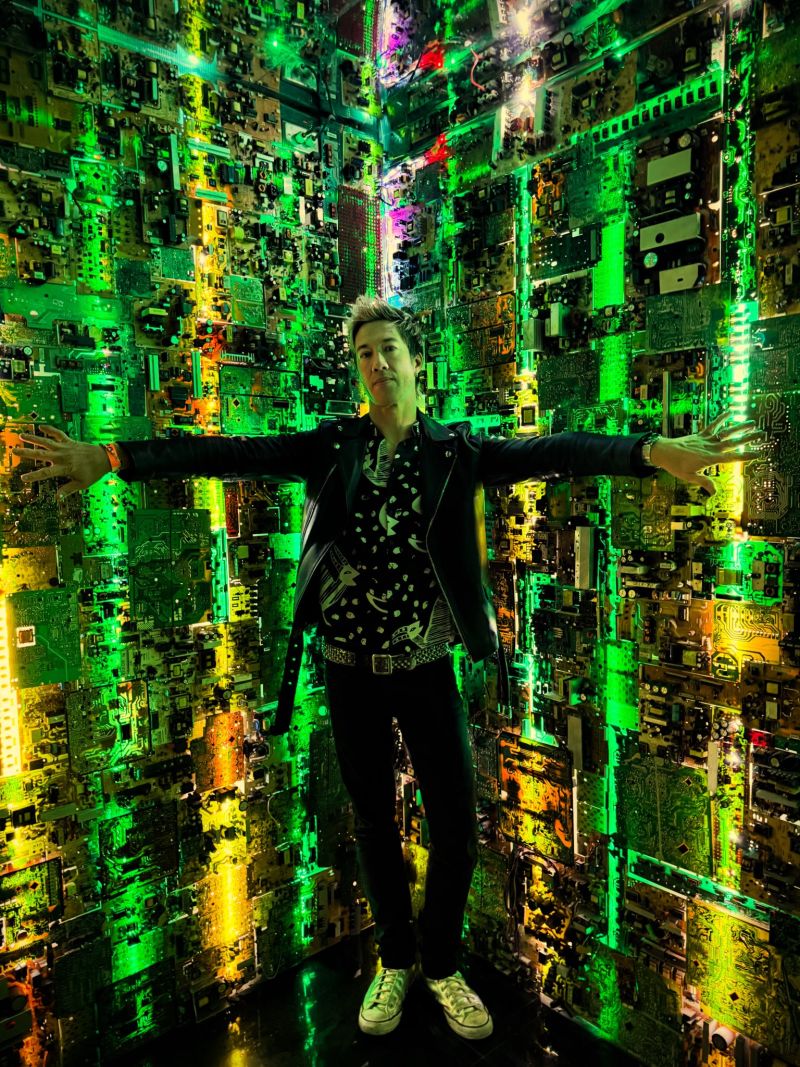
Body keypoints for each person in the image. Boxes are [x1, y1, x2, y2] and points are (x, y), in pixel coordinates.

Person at [10, 296, 766, 1042]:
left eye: (388, 349)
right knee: (373, 823)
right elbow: (229, 451)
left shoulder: (457, 452)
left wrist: (653, 452)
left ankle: (442, 964)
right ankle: (397, 959)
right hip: (350, 672)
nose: (375, 363)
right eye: (363, 353)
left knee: (457, 828)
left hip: (426, 668)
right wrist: (112, 458)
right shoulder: (332, 447)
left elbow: (558, 449)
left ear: (416, 363)